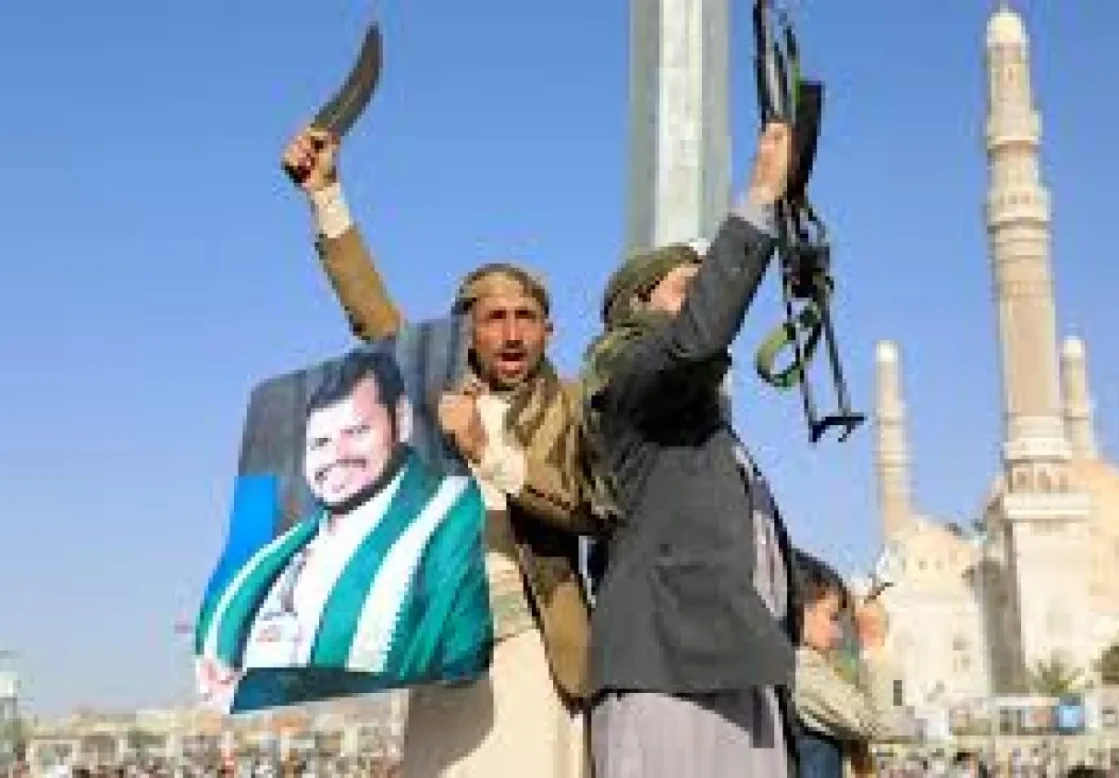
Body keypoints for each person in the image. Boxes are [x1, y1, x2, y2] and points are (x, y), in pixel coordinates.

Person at [279, 127, 596, 777]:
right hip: (445, 653)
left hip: (537, 653)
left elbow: (587, 506)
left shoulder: (575, 404)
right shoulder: (431, 394)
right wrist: (325, 195)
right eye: (495, 318)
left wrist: (487, 451)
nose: (512, 333)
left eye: (526, 317)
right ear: (467, 333)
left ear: (549, 330)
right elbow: (371, 314)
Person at [579, 121, 798, 778]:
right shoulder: (628, 380)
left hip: (737, 664)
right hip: (665, 669)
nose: (704, 300)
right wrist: (759, 198)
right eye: (686, 288)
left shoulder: (708, 431)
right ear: (637, 306)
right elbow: (692, 344)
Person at [195, 350, 490, 713]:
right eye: (320, 443)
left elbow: (458, 668)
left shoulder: (454, 516)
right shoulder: (276, 557)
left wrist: (256, 693)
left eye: (356, 432)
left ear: (401, 421)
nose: (336, 455)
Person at [791, 549, 902, 778]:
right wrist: (876, 644)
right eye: (831, 617)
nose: (838, 633)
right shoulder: (801, 671)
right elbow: (889, 723)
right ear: (800, 611)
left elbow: (894, 711)